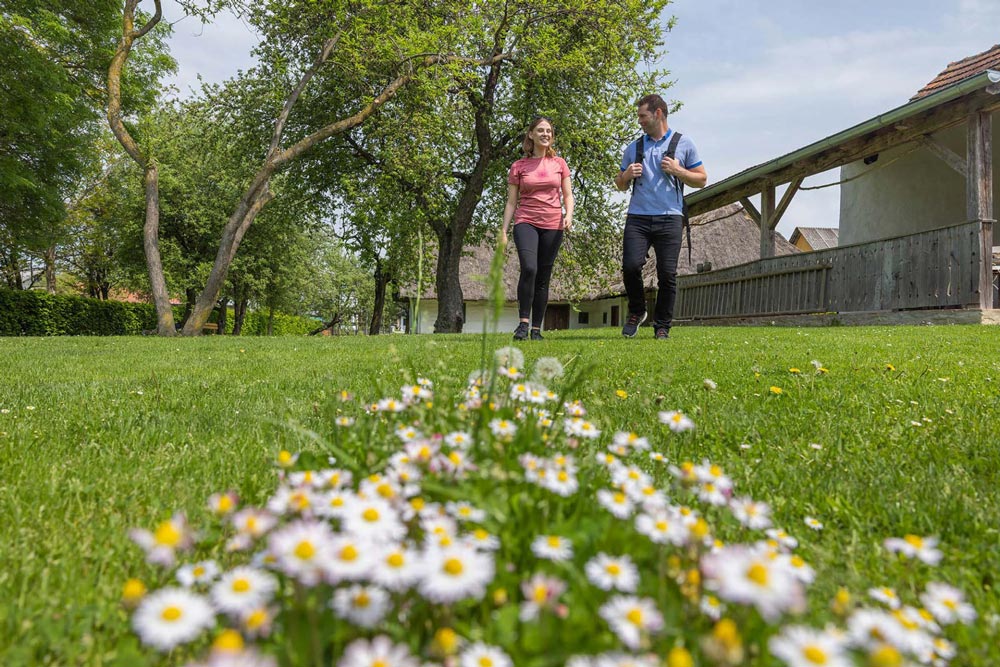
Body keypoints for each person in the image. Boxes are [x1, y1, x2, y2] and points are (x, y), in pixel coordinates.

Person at [614, 94, 707, 339]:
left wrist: (678, 170)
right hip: (638, 217)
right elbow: (619, 184)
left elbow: (702, 179)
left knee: (667, 274)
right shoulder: (634, 147)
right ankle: (637, 310)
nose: (640, 121)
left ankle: (663, 326)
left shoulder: (684, 143)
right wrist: (626, 177)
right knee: (630, 266)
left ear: (658, 114)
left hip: (670, 217)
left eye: (643, 116)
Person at [500, 116, 574, 341]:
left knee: (543, 275)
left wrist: (568, 214)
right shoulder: (519, 166)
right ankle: (523, 323)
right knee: (529, 268)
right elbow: (512, 202)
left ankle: (536, 329)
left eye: (549, 131)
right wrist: (503, 231)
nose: (545, 134)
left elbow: (568, 194)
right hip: (526, 222)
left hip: (553, 224)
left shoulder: (559, 163)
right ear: (531, 134)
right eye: (540, 130)